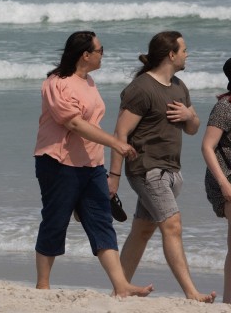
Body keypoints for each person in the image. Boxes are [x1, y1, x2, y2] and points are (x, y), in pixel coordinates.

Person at [33, 31, 152, 297]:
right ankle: (42, 285)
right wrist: (115, 143)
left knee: (101, 222)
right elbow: (74, 123)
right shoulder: (56, 83)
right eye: (100, 50)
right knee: (55, 221)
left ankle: (121, 286)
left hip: (91, 164)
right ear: (85, 54)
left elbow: (90, 123)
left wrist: (109, 168)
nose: (102, 54)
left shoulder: (89, 82)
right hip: (58, 161)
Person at [108, 31, 215, 302]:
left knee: (143, 230)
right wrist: (114, 176)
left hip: (171, 170)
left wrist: (190, 115)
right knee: (172, 225)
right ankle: (191, 293)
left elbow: (192, 129)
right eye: (184, 49)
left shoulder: (179, 85)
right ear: (171, 54)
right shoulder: (141, 89)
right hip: (146, 168)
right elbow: (120, 134)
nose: (187, 54)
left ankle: (119, 289)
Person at [201, 54, 231, 305]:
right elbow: (207, 147)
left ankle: (228, 305)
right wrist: (224, 183)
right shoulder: (225, 107)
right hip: (227, 179)